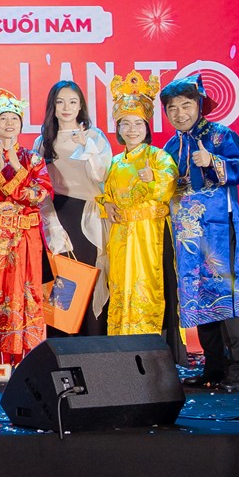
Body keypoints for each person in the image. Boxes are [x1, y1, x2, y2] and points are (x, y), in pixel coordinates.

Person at [0, 87, 71, 379]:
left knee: (26, 293)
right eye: (3, 119)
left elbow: (39, 195)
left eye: (14, 119)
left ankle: (25, 357)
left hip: (25, 239)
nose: (9, 124)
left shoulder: (33, 159)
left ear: (21, 124)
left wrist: (14, 169)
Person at [160, 75, 239, 389]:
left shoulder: (220, 135)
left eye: (186, 105)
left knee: (227, 292)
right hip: (187, 235)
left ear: (199, 105)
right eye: (172, 108)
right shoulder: (171, 146)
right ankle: (213, 367)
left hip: (218, 230)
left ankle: (238, 368)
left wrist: (212, 160)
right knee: (198, 294)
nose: (179, 113)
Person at [96, 72, 179, 338]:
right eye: (126, 124)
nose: (132, 129)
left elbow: (170, 186)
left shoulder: (158, 156)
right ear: (119, 128)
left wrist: (153, 177)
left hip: (149, 233)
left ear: (146, 128)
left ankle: (153, 344)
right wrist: (107, 204)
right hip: (121, 236)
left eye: (138, 124)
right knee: (121, 286)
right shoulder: (114, 162)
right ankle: (122, 345)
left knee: (149, 286)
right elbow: (104, 193)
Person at [37, 79, 112, 334]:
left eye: (72, 102)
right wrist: (52, 225)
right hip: (59, 214)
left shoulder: (94, 136)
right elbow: (40, 187)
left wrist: (86, 147)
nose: (66, 108)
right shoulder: (44, 141)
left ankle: (94, 344)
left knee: (92, 278)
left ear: (80, 106)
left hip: (90, 215)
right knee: (63, 284)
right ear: (53, 107)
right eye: (60, 102)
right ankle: (61, 348)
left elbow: (103, 175)